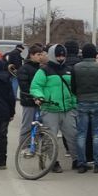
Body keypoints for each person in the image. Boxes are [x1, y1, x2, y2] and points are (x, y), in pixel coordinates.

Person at [29, 44, 77, 174]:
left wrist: (74, 104)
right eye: (58, 55)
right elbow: (35, 87)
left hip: (67, 109)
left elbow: (74, 90)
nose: (60, 57)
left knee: (73, 136)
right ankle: (53, 162)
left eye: (62, 55)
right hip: (50, 109)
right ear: (51, 55)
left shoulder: (69, 70)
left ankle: (77, 160)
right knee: (51, 138)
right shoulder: (43, 71)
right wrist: (39, 96)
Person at [71, 43, 98, 174]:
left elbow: (73, 87)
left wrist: (80, 95)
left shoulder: (76, 67)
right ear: (95, 54)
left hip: (81, 102)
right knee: (97, 134)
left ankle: (81, 164)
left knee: (81, 134)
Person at [16, 44, 46, 149]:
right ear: (31, 55)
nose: (40, 57)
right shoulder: (24, 68)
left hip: (41, 101)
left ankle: (36, 144)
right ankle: (23, 146)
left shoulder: (42, 68)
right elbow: (24, 86)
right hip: (28, 101)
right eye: (38, 54)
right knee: (27, 125)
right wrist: (34, 96)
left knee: (39, 125)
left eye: (42, 54)